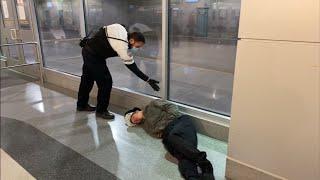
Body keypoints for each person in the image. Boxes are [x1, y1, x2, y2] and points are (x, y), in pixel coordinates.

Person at [77, 23, 160, 119]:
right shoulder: (122, 46)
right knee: (106, 82)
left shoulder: (121, 28)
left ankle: (81, 105)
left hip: (88, 50)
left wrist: (93, 40)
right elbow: (133, 67)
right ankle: (101, 111)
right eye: (137, 46)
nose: (137, 49)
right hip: (94, 56)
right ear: (132, 40)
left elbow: (103, 28)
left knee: (87, 79)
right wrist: (148, 79)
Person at [124, 99, 215, 180]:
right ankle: (199, 174)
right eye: (133, 122)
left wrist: (170, 120)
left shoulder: (153, 104)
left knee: (172, 138)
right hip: (170, 136)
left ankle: (203, 161)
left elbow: (171, 106)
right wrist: (164, 131)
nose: (135, 121)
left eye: (132, 118)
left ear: (135, 111)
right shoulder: (146, 127)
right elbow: (159, 135)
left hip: (180, 122)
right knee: (182, 158)